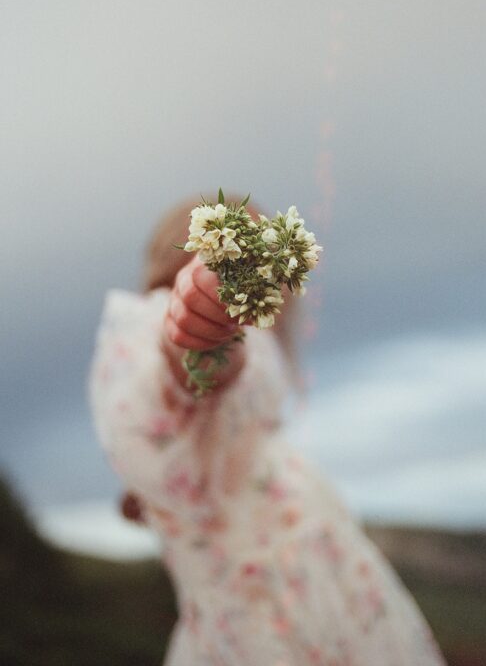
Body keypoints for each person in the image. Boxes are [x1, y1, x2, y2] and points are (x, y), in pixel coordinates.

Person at [89, 196, 445, 665]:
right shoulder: (166, 344)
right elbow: (191, 372)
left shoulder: (216, 441)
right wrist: (206, 327)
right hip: (283, 639)